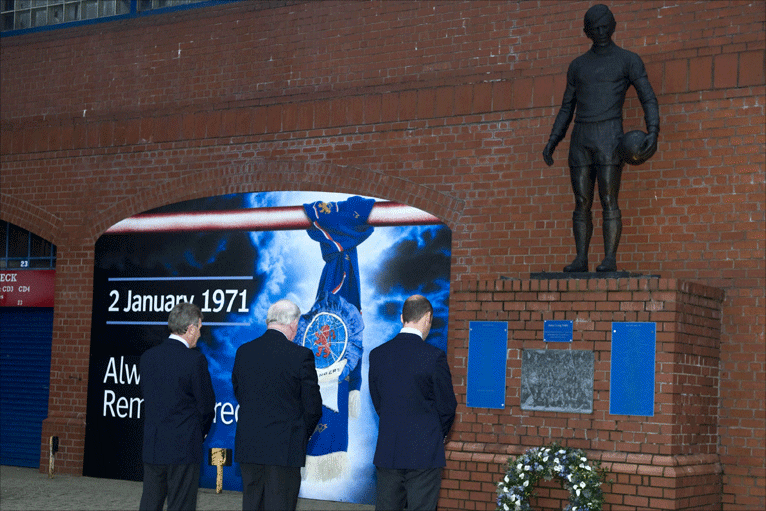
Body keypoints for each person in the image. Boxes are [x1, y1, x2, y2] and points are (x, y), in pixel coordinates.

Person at [543, 4, 660, 273]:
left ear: (613, 25)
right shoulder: (578, 66)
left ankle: (609, 258)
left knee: (609, 199)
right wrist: (553, 141)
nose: (601, 31)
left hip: (610, 135)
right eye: (594, 28)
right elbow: (566, 108)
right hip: (581, 136)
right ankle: (581, 258)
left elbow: (648, 98)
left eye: (605, 26)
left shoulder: (628, 60)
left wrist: (653, 130)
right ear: (586, 32)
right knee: (582, 201)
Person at [368, 295, 457, 511]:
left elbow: (378, 401)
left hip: (389, 450)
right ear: (427, 318)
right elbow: (447, 407)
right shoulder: (434, 357)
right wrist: (436, 433)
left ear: (402, 318)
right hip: (424, 453)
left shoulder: (378, 355)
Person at [232, 299, 322, 511]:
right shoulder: (301, 356)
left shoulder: (244, 352)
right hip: (285, 450)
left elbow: (239, 392)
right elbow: (313, 408)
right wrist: (299, 433)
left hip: (250, 447)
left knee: (252, 505)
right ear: (292, 324)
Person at [139, 302, 216, 511]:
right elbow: (207, 407)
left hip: (154, 447)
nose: (200, 333)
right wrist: (197, 434)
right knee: (181, 505)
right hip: (183, 449)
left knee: (150, 503)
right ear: (190, 329)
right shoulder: (195, 360)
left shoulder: (148, 357)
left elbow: (147, 395)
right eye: (199, 328)